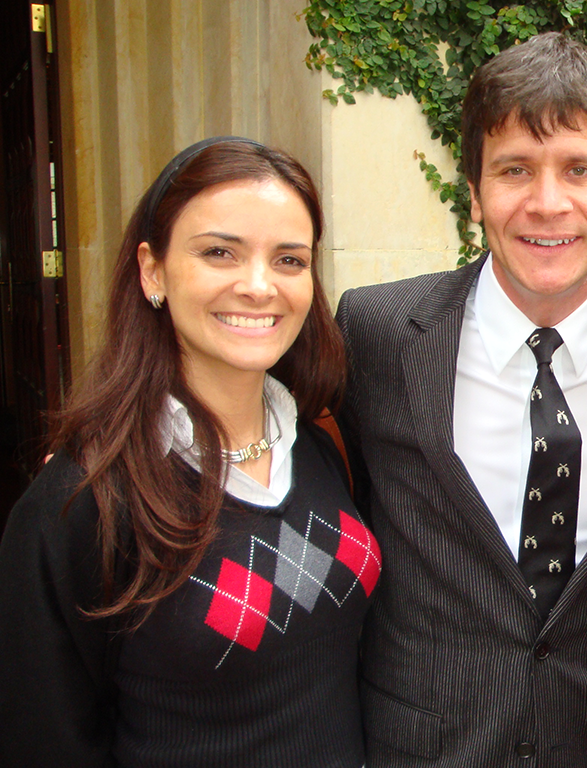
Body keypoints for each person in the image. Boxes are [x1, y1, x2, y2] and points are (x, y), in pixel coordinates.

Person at [336, 33, 587, 766]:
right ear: (476, 191)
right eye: (515, 169)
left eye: (580, 169)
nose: (548, 204)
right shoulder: (378, 332)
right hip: (422, 744)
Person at [0, 137, 376, 767]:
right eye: (219, 252)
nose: (259, 287)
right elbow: (44, 737)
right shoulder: (83, 501)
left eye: (288, 259)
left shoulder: (321, 443)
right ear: (153, 270)